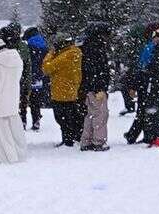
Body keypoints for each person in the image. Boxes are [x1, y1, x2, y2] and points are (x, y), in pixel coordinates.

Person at [0, 26, 28, 163]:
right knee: (15, 132)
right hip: (13, 101)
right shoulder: (18, 61)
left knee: (1, 135)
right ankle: (19, 155)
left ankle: (6, 157)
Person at [42, 33, 83, 145]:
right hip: (68, 90)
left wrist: (51, 53)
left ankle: (68, 140)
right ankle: (74, 137)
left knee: (63, 118)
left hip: (62, 92)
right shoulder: (74, 52)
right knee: (70, 116)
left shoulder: (67, 55)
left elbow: (46, 68)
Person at [79, 22, 111, 150]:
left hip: (88, 87)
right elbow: (97, 70)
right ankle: (98, 141)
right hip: (96, 87)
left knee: (91, 114)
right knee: (101, 114)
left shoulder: (86, 46)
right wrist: (100, 88)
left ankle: (86, 141)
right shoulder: (97, 48)